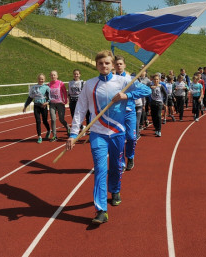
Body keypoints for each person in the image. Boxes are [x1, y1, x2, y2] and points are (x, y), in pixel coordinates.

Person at [65, 50, 151, 224]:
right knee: (100, 169)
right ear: (96, 65)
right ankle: (101, 210)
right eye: (100, 63)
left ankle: (115, 189)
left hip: (118, 132)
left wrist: (127, 95)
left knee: (116, 166)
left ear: (112, 65)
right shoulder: (89, 84)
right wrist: (74, 133)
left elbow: (147, 90)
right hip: (98, 133)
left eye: (106, 63)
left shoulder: (124, 81)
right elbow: (80, 109)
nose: (103, 66)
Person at [114, 56, 138, 171]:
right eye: (116, 64)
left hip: (129, 112)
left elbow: (141, 92)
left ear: (124, 65)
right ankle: (122, 162)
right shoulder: (111, 80)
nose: (118, 66)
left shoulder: (130, 79)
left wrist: (128, 95)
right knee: (119, 138)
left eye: (120, 64)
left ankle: (130, 156)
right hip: (117, 113)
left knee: (131, 137)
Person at [23, 73, 51, 143]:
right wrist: (25, 106)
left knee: (44, 121)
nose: (41, 80)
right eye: (39, 79)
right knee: (38, 121)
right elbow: (30, 98)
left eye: (42, 79)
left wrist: (46, 103)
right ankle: (39, 136)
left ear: (44, 80)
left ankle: (48, 130)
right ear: (37, 79)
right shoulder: (33, 87)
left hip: (43, 106)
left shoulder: (46, 88)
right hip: (36, 106)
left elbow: (50, 98)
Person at [48, 70, 69, 142]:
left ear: (57, 76)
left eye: (54, 75)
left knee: (61, 119)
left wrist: (65, 100)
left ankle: (68, 128)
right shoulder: (49, 84)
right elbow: (46, 94)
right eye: (51, 75)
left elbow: (64, 92)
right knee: (53, 119)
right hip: (52, 104)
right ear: (50, 76)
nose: (53, 76)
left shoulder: (61, 83)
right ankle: (54, 135)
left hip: (60, 103)